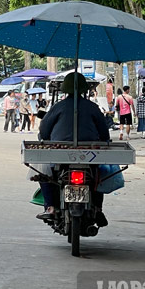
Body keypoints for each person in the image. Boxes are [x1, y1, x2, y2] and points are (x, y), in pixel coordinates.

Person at [36, 72, 110, 224]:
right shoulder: (93, 107)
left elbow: (44, 131)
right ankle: (97, 208)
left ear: (65, 89)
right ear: (84, 90)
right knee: (97, 175)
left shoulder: (58, 107)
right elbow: (104, 133)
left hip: (59, 152)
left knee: (44, 172)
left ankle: (50, 206)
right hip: (90, 153)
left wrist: (47, 138)